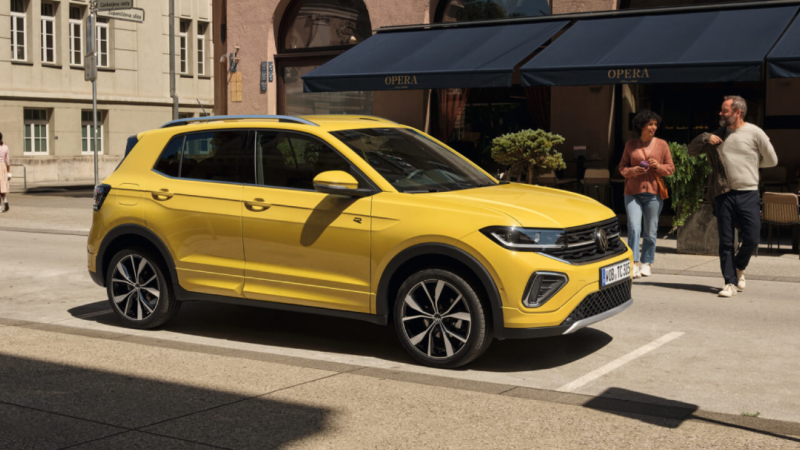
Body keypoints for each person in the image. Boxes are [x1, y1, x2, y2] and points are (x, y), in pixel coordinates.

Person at [689, 96, 778, 298]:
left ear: (738, 112)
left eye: (725, 110)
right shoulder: (717, 135)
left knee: (753, 238)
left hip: (748, 193)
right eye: (721, 110)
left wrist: (750, 164)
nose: (721, 113)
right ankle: (729, 282)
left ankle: (739, 267)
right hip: (723, 194)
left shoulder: (755, 133)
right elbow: (691, 151)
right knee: (726, 241)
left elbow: (772, 160)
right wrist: (704, 137)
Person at [619, 110, 674, 278]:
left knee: (650, 230)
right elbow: (622, 168)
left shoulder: (662, 145)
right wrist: (633, 171)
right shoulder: (630, 145)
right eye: (650, 124)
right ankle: (634, 263)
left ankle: (647, 263)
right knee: (634, 228)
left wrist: (658, 166)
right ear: (641, 126)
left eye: (655, 124)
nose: (654, 127)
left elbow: (670, 169)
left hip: (654, 193)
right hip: (632, 193)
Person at [0, 132, 9, 212]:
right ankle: (5, 201)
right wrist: (9, 171)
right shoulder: (5, 147)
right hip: (3, 167)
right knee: (2, 187)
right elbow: (8, 161)